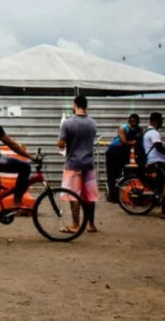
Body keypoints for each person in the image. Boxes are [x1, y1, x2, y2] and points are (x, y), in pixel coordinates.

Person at [57, 95, 99, 233]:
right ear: (86, 106)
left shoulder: (67, 123)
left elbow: (60, 143)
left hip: (73, 163)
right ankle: (91, 224)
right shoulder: (93, 123)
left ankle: (76, 224)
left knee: (73, 195)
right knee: (89, 196)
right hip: (89, 163)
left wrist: (64, 140)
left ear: (74, 105)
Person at [142, 112, 165, 220]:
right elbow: (159, 147)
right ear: (157, 121)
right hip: (156, 162)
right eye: (161, 120)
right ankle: (164, 212)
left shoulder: (147, 132)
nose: (162, 123)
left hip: (154, 161)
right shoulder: (154, 133)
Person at [104, 113, 142, 203]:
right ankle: (113, 196)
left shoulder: (139, 130)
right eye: (132, 121)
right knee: (112, 174)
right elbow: (124, 141)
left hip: (124, 153)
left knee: (122, 174)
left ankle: (120, 194)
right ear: (129, 121)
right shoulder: (124, 128)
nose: (134, 123)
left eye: (136, 121)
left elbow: (139, 140)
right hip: (113, 152)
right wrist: (133, 142)